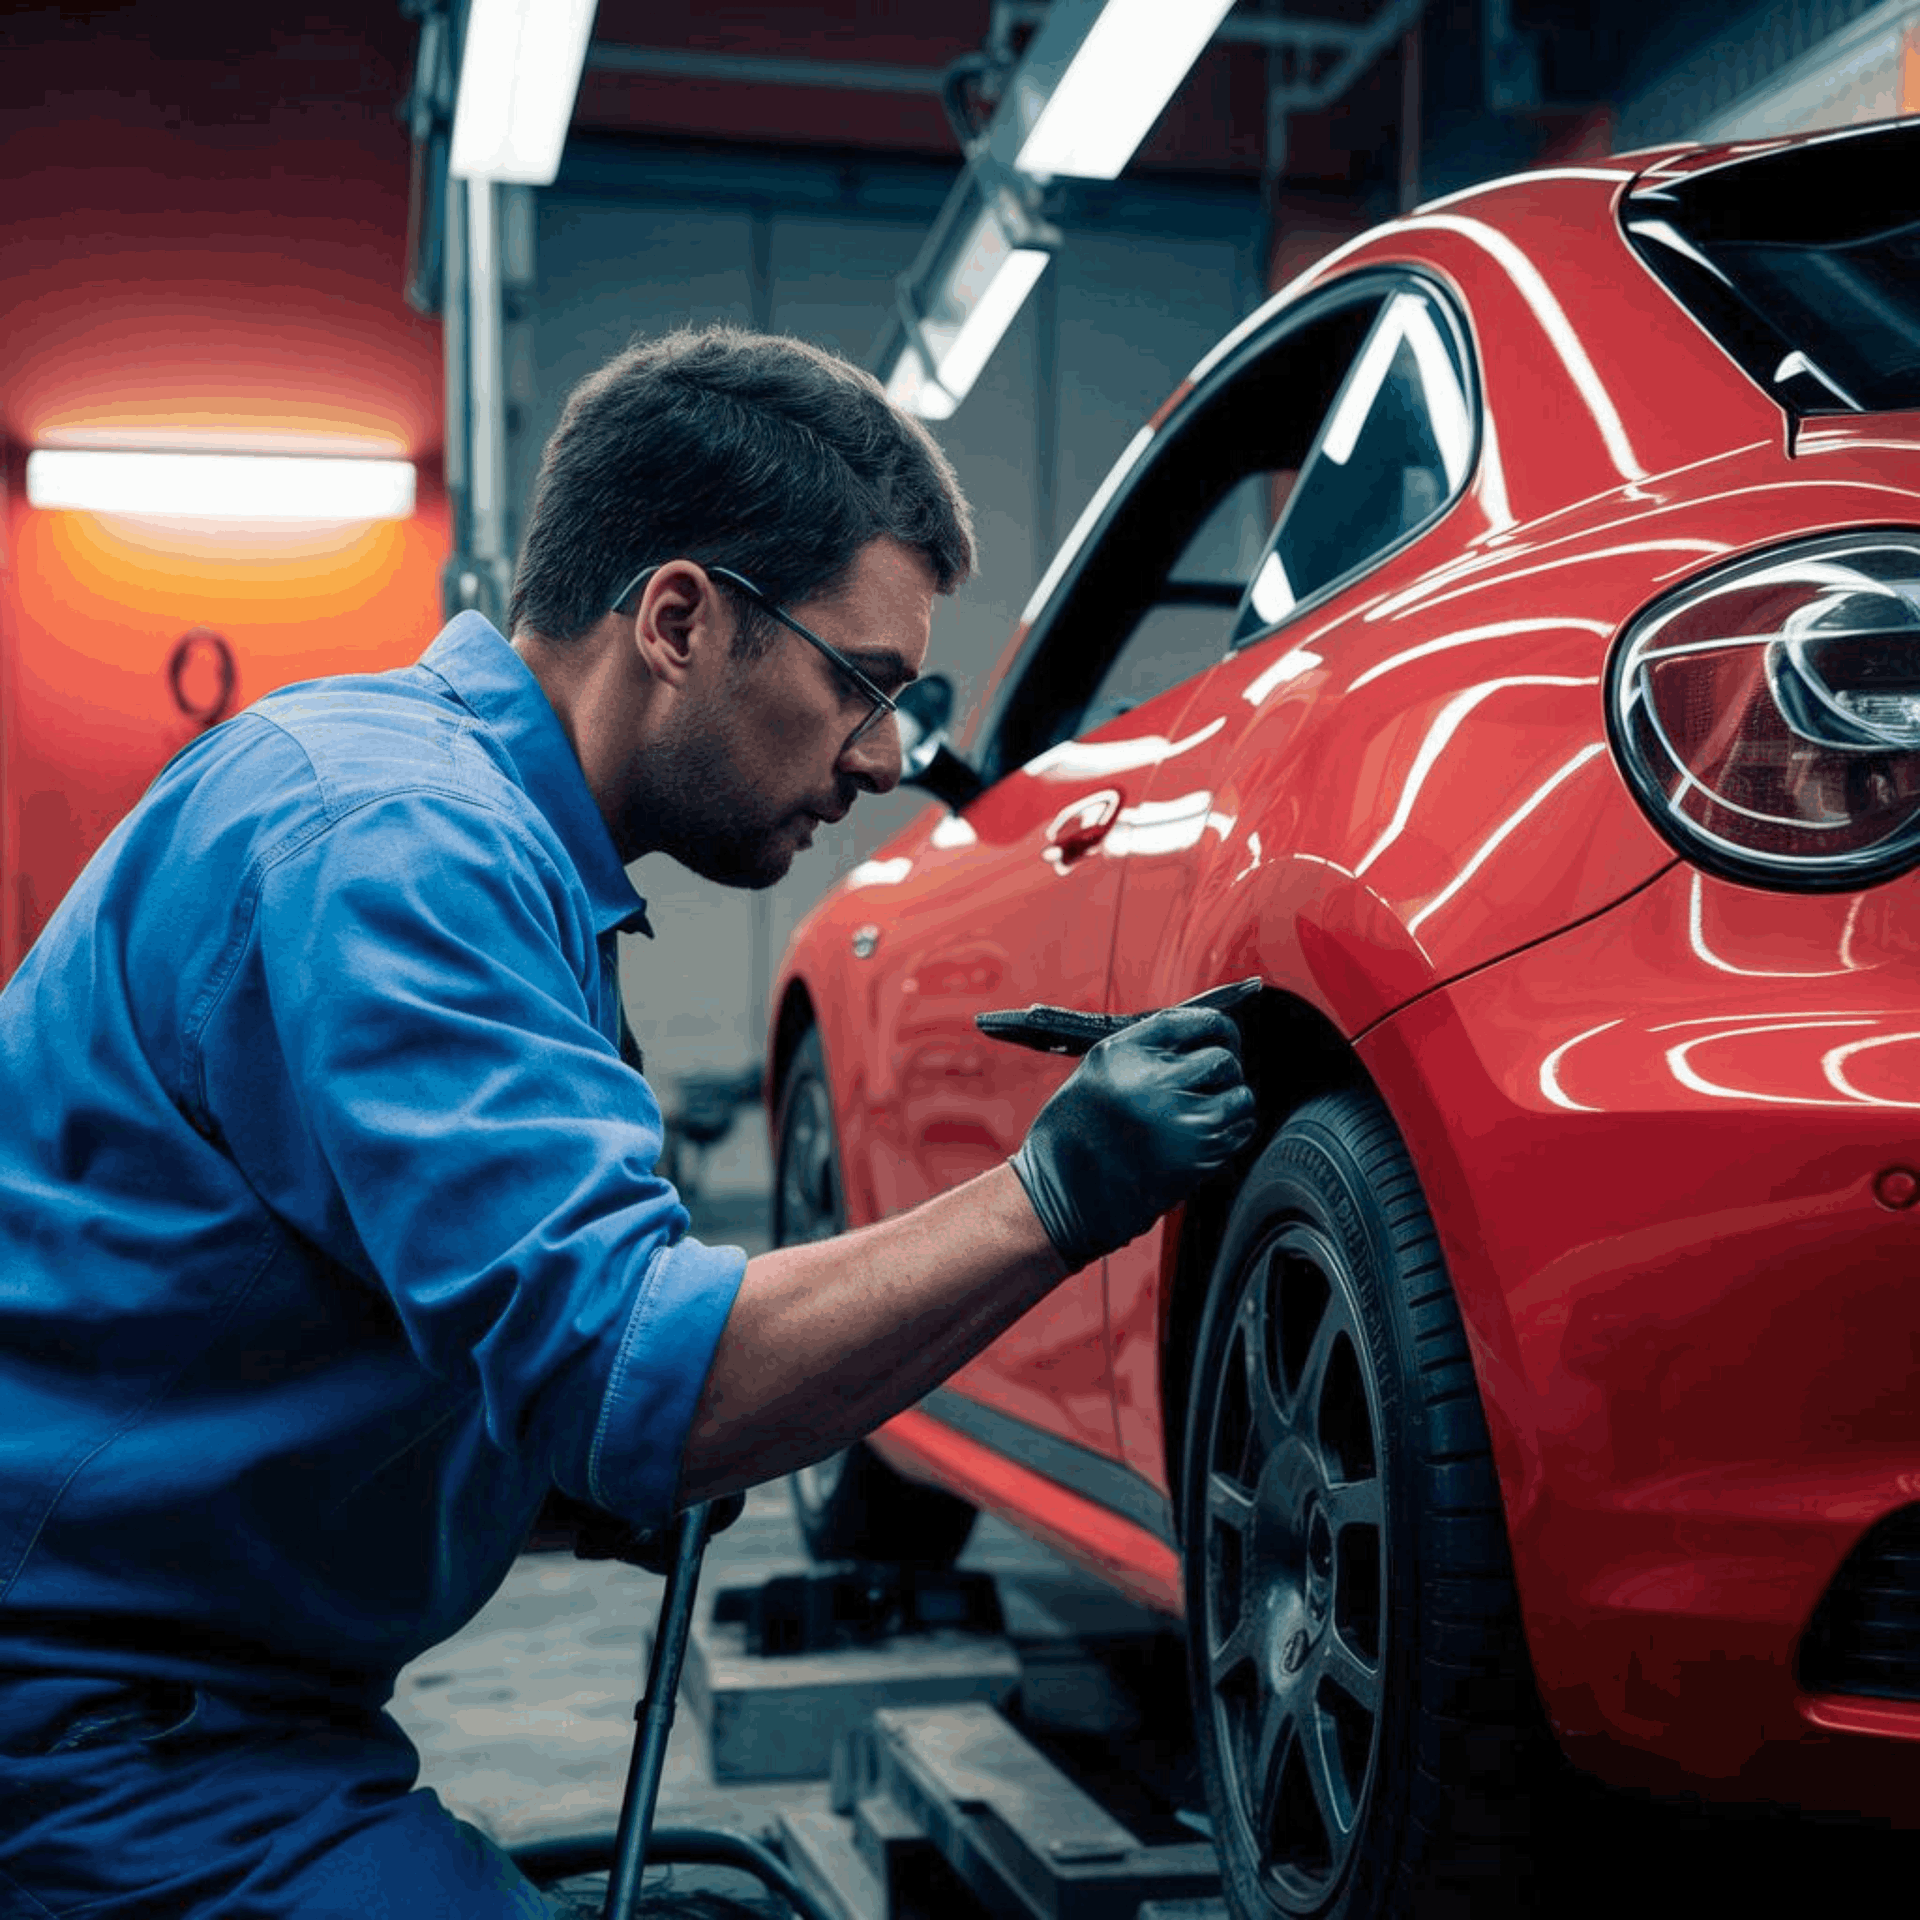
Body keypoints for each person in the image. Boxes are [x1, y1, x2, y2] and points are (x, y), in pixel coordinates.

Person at [0, 326, 1256, 1917]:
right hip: (90, 1735)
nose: (880, 756)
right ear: (679, 619)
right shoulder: (398, 848)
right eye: (858, 683)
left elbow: (328, 1308)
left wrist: (553, 1493)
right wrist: (1056, 1191)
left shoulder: (478, 838)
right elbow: (631, 1372)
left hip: (213, 1700)